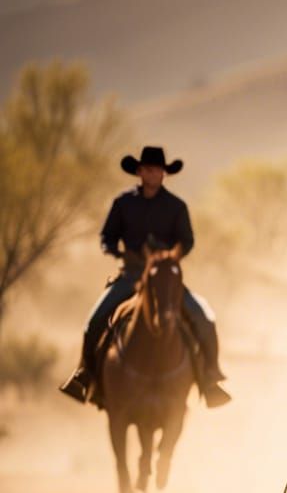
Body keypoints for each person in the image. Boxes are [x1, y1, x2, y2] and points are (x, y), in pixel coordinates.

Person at [59, 146, 230, 408]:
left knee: (203, 317)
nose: (154, 174)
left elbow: (188, 240)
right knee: (94, 321)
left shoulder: (176, 206)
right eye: (149, 169)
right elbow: (107, 236)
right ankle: (85, 375)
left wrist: (172, 256)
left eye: (158, 170)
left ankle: (210, 379)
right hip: (131, 275)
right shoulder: (123, 203)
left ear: (164, 173)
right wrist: (116, 251)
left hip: (165, 278)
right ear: (139, 171)